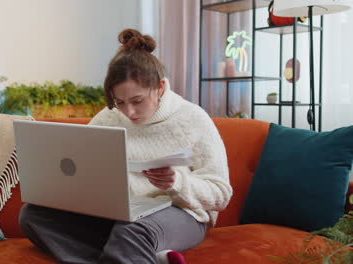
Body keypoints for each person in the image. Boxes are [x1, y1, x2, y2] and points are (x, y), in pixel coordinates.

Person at [19, 28, 233, 264]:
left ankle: (134, 251)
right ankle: (143, 257)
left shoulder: (193, 119)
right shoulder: (108, 117)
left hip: (181, 213)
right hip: (119, 215)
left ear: (160, 87)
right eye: (119, 102)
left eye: (137, 101)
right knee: (32, 215)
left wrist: (178, 183)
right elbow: (82, 166)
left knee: (133, 230)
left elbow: (221, 194)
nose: (128, 111)